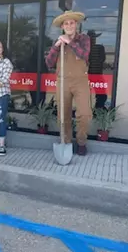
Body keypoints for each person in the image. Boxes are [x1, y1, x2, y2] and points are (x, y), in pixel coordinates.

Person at [45, 10, 92, 156]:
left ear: (76, 25)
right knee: (63, 115)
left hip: (80, 81)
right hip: (62, 81)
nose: (69, 25)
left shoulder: (84, 39)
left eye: (72, 23)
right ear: (62, 26)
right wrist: (57, 46)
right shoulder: (58, 43)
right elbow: (49, 63)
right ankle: (66, 143)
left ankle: (81, 142)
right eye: (66, 23)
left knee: (84, 114)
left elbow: (84, 55)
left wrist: (70, 42)